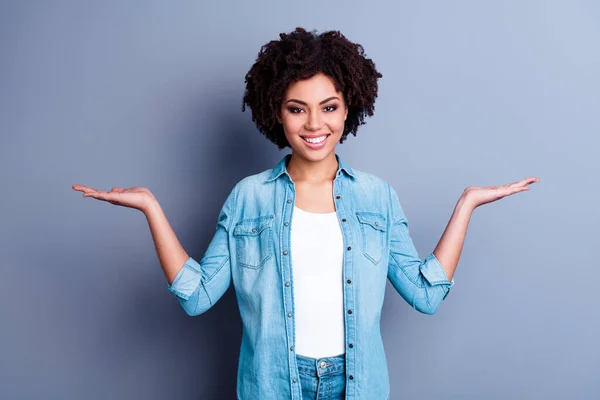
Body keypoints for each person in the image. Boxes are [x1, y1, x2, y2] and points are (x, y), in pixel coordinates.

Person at [72, 27, 539, 400]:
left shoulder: (377, 198)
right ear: (276, 112)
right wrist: (152, 208)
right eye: (298, 109)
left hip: (358, 386)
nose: (315, 125)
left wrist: (467, 206)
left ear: (348, 107)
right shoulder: (248, 198)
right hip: (273, 385)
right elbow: (196, 296)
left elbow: (425, 294)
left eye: (328, 107)